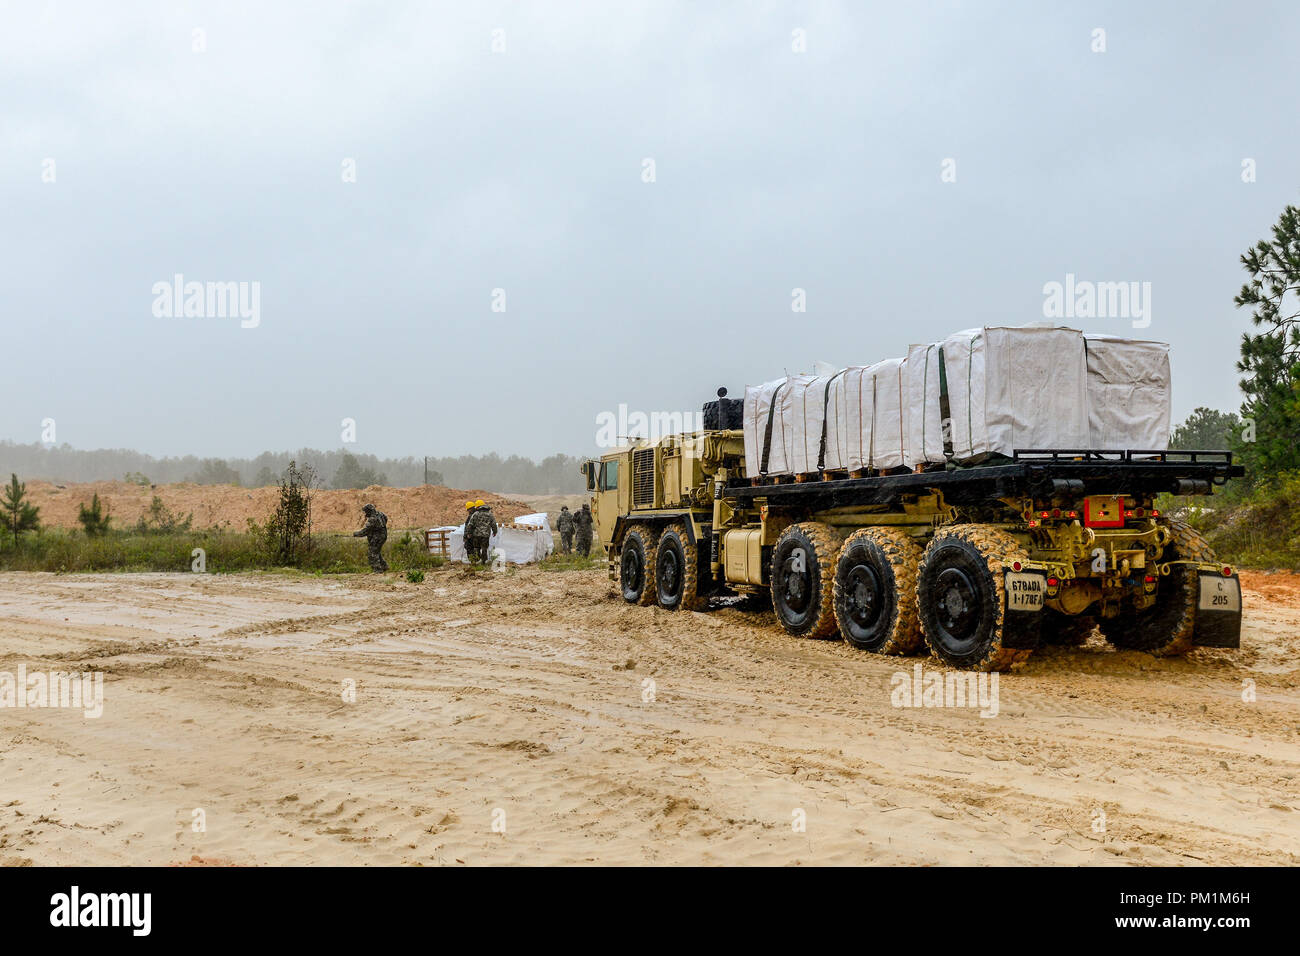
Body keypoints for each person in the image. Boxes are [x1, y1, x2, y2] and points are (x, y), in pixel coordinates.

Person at [353, 503, 388, 572]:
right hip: (384, 535)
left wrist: (356, 534)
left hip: (377, 537)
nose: (365, 513)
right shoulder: (380, 514)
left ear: (369, 511)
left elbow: (365, 531)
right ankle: (384, 567)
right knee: (376, 551)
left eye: (366, 511)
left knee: (372, 553)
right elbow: (386, 519)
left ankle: (377, 569)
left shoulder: (372, 519)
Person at [464, 499, 497, 563]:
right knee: (484, 549)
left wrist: (468, 533)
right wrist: (495, 532)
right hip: (486, 535)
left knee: (476, 548)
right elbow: (493, 524)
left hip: (476, 535)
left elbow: (470, 524)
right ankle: (483, 562)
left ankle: (476, 561)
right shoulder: (490, 514)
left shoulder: (475, 514)